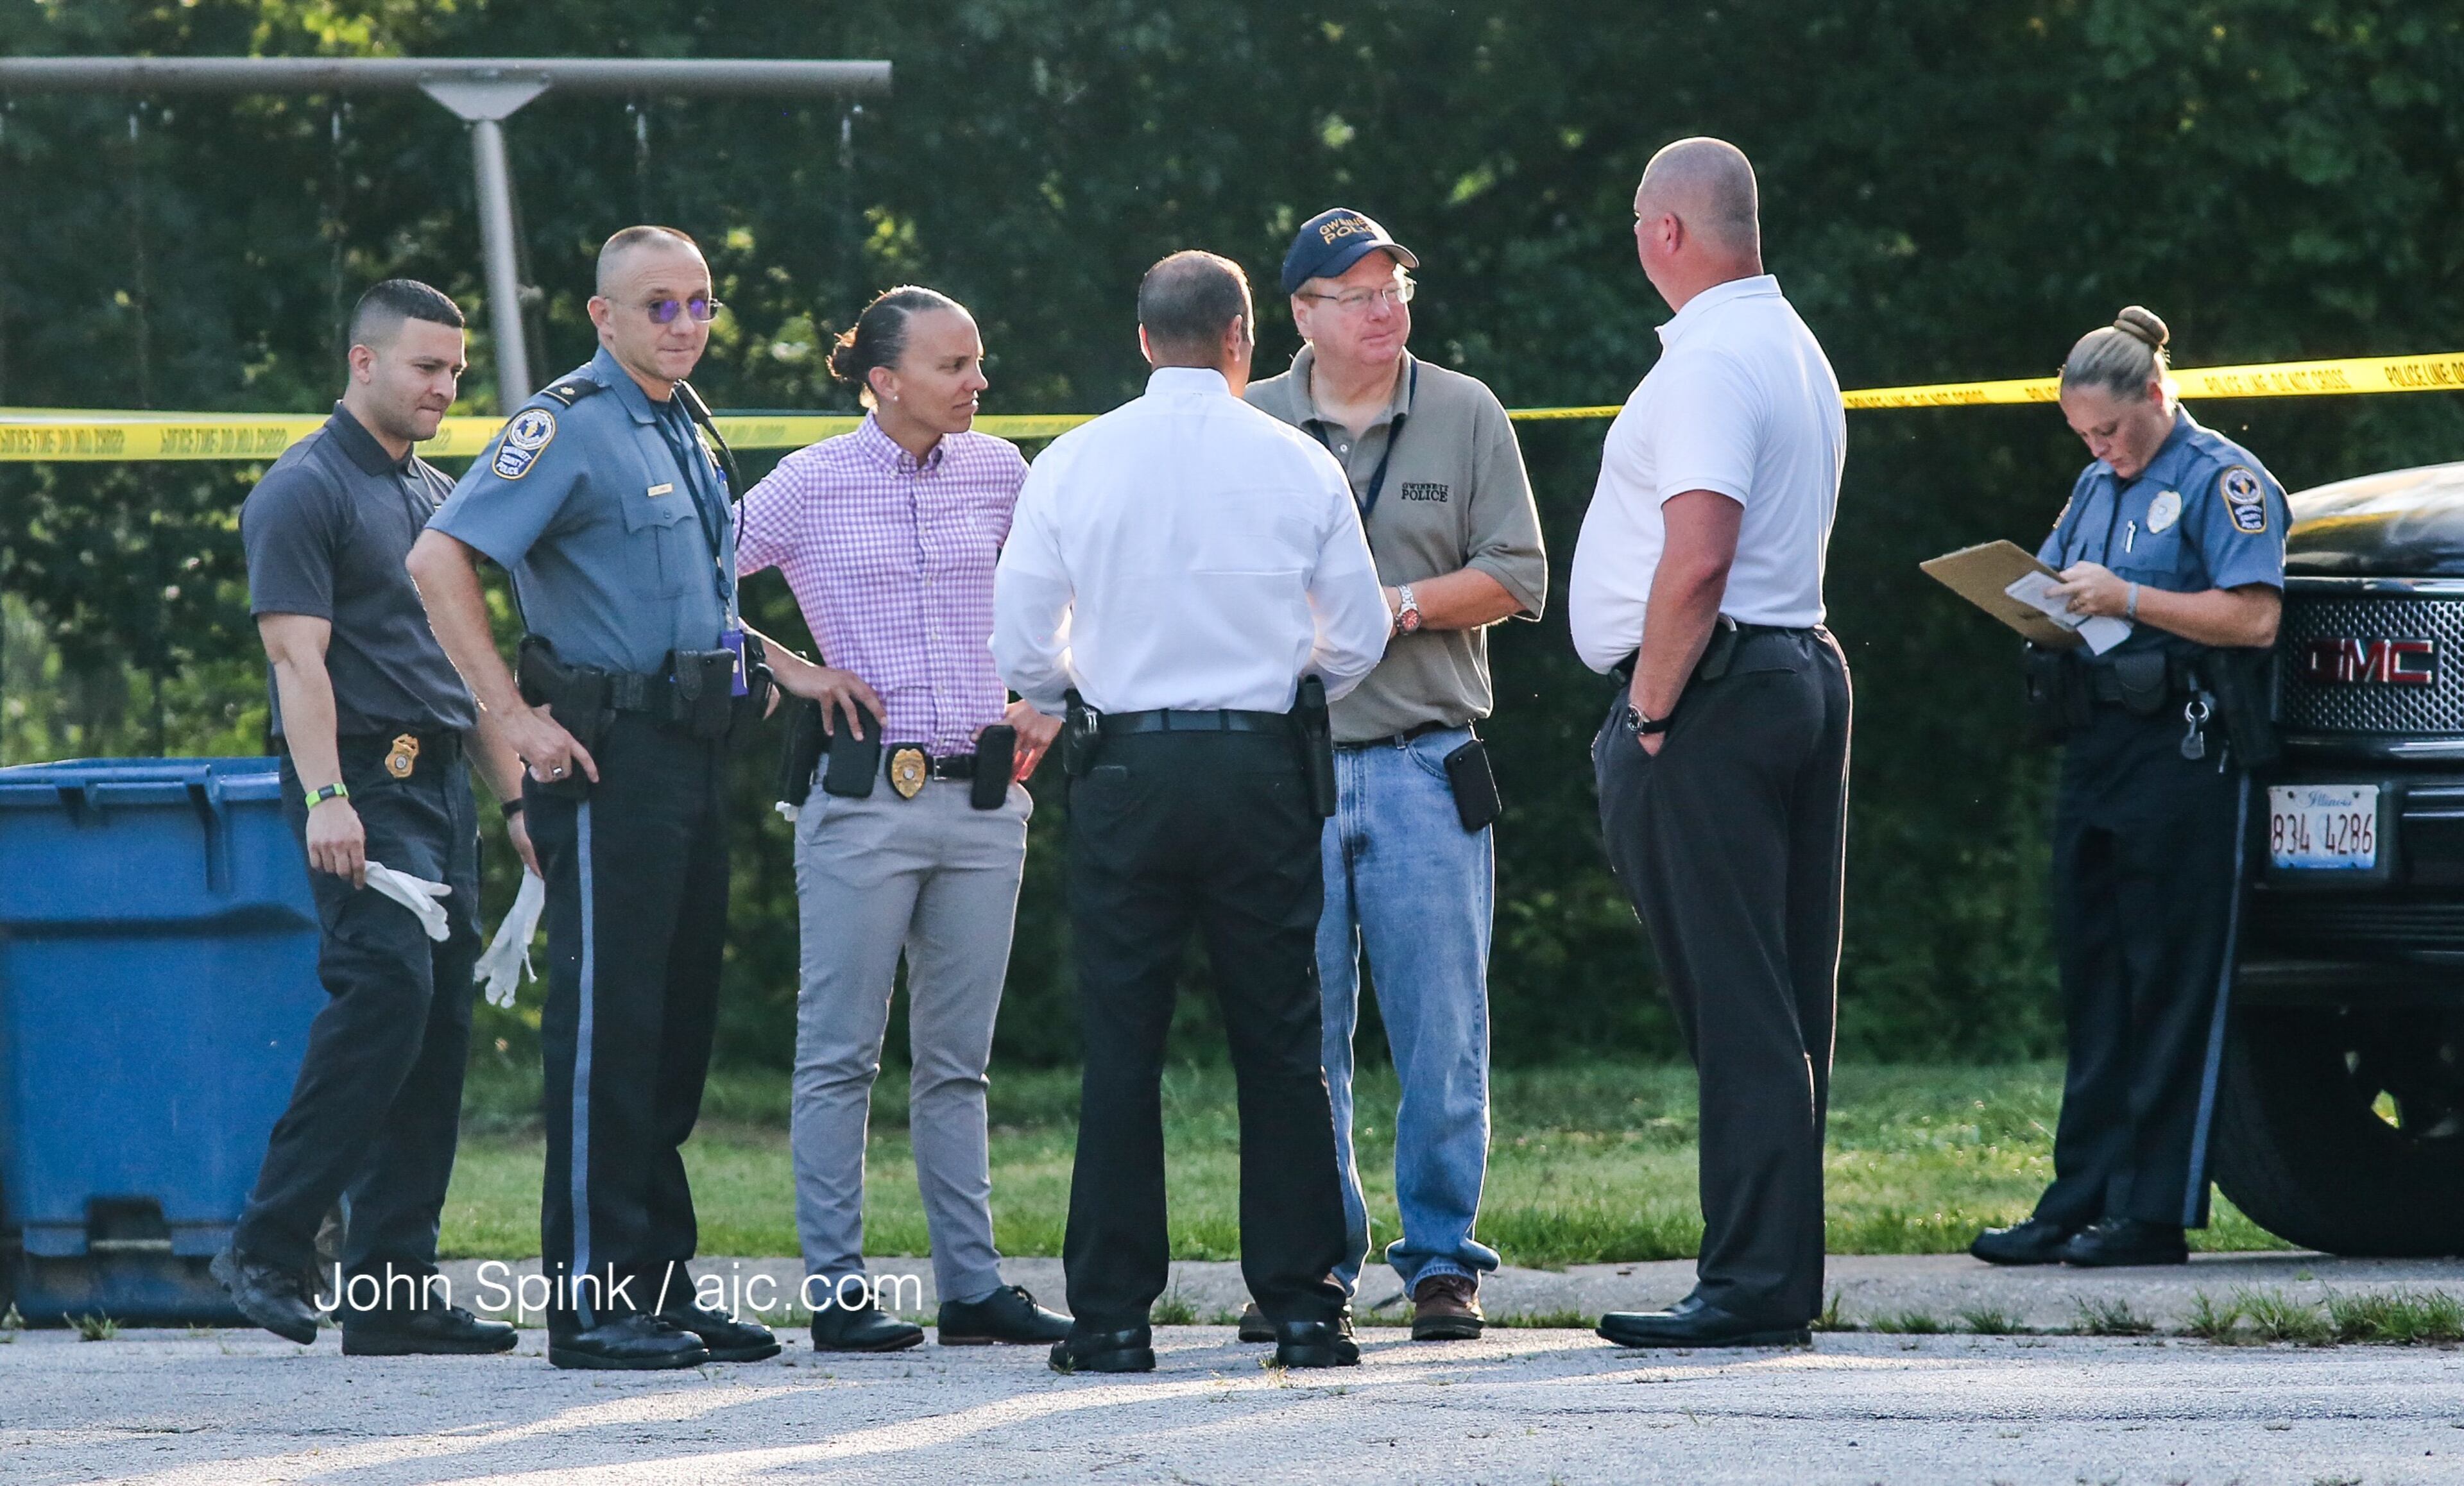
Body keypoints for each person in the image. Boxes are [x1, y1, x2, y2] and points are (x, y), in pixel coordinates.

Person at [992, 250, 1390, 1374]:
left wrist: (1086, 680)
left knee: (1122, 1045)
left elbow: (1023, 640)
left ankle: (1114, 1319)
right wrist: (1276, 676)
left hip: (1125, 769)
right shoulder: (1298, 461)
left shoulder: (1073, 461)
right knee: (1281, 1040)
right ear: (1241, 341)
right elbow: (1356, 637)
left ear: (1141, 340)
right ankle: (1308, 1311)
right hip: (1262, 767)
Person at [407, 226, 778, 1371]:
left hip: (693, 750)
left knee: (672, 1035)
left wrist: (771, 667)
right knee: (607, 1036)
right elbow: (438, 559)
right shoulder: (565, 426)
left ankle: (659, 1287)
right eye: (658, 305)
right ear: (601, 315)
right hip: (607, 762)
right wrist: (511, 719)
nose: (684, 323)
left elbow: (694, 595)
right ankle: (589, 1303)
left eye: (699, 303)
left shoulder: (689, 424)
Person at [736, 285, 1070, 1352]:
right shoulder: (809, 482)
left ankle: (971, 1289)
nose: (980, 383)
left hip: (984, 799)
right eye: (955, 367)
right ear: (885, 381)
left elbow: (1069, 590)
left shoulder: (1005, 471)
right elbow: (680, 579)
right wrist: (788, 667)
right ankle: (838, 1291)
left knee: (959, 1063)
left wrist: (1049, 693)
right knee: (839, 1054)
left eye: (979, 362)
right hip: (861, 802)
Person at [1242, 209, 1546, 1341]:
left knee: (1442, 1029)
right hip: (1292, 770)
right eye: (1358, 294)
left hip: (1428, 760)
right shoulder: (1255, 419)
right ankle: (1315, 1265)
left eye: (1395, 290)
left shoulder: (1465, 410)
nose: (1385, 311)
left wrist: (1398, 610)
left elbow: (1520, 573)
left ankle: (1441, 1265)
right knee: (1299, 1034)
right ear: (1303, 314)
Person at [1568, 138, 1852, 1348]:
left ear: (1669, 232)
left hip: (1717, 690)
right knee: (1786, 1000)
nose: (1635, 240)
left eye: (1639, 220)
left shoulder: (1707, 363)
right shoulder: (1791, 344)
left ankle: (1746, 1286)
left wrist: (1648, 713)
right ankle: (1775, 1278)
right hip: (1797, 664)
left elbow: (1698, 555)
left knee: (1736, 1000)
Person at [213, 280, 531, 1356]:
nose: (445, 387)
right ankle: (267, 1243)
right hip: (363, 783)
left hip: (439, 784)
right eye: (425, 368)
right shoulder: (303, 491)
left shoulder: (434, 496)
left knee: (436, 1027)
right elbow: (297, 659)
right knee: (383, 994)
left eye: (454, 370)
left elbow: (468, 676)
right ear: (363, 363)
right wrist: (326, 798)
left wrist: (517, 803)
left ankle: (392, 1296)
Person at [1970, 307, 2287, 1270]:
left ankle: (2153, 1213)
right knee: (2095, 979)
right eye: (2084, 436)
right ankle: (2079, 1199)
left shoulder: (2223, 482)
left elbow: (2255, 620)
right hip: (2097, 739)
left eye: (2111, 430)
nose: (2101, 450)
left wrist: (2132, 599)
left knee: (2167, 982)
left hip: (2186, 751)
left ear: (2157, 394)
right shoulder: (2093, 483)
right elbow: (2067, 576)